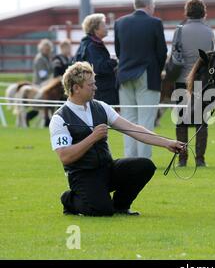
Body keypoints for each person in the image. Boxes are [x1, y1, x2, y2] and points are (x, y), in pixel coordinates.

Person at [49, 62, 184, 216]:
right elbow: (65, 157)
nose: (95, 88)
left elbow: (133, 129)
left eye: (94, 83)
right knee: (101, 211)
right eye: (90, 85)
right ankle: (69, 200)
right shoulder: (59, 119)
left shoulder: (101, 107)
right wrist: (92, 138)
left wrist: (167, 143)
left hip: (107, 168)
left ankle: (121, 206)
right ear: (76, 88)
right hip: (83, 175)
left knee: (144, 166)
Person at [114, 0, 168, 159]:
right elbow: (162, 52)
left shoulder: (119, 23)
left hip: (124, 74)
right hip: (147, 73)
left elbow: (118, 51)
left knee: (127, 121)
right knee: (146, 120)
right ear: (149, 6)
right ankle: (144, 160)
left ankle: (129, 158)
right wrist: (157, 70)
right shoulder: (155, 23)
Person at [173, 0, 215, 167]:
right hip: (202, 81)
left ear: (187, 12)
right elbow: (211, 56)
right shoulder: (208, 31)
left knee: (182, 122)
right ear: (203, 12)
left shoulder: (180, 30)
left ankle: (182, 159)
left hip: (182, 80)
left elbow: (175, 55)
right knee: (201, 122)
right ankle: (200, 160)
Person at [74, 13, 119, 105]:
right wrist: (114, 62)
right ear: (95, 29)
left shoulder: (90, 44)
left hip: (98, 91)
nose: (106, 27)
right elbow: (98, 67)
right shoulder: (92, 46)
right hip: (100, 92)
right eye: (103, 25)